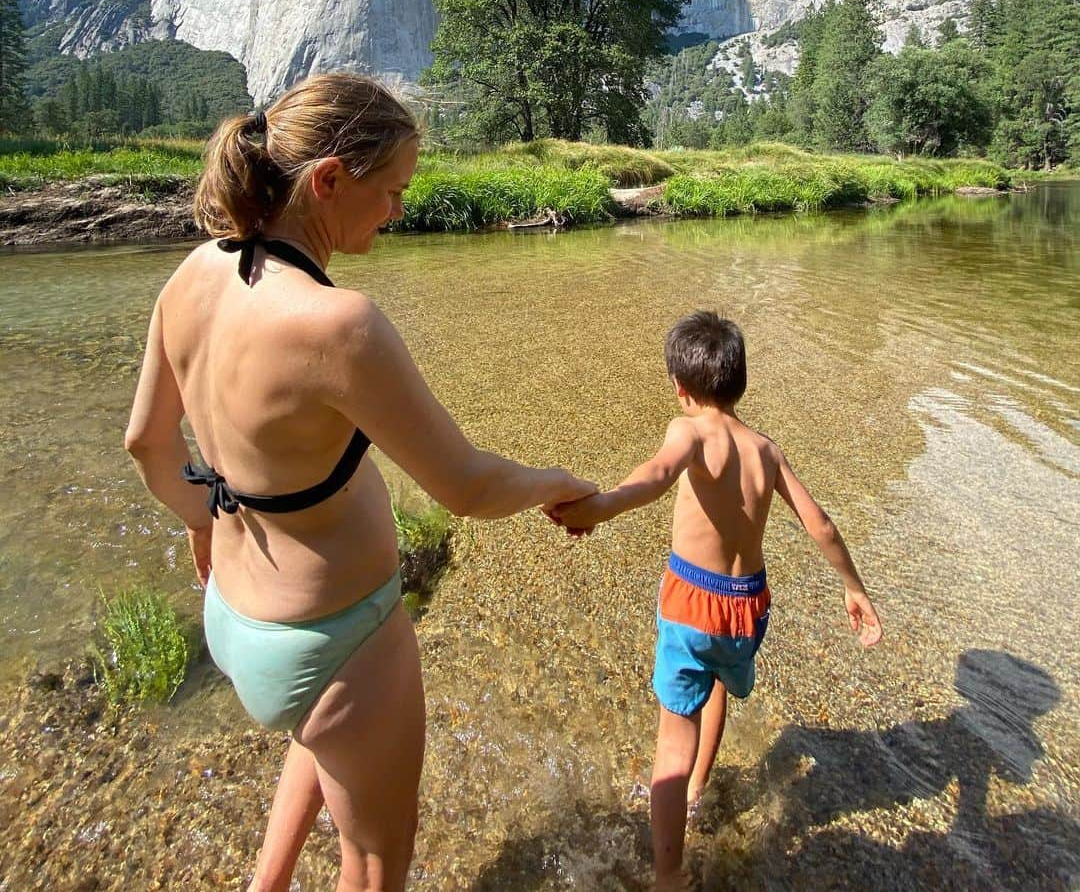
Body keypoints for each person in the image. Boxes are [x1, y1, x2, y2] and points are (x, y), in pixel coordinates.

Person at [124, 73, 595, 892]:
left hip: (237, 621)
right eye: (393, 191)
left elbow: (145, 444)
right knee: (375, 860)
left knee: (317, 742)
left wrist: (208, 517)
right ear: (330, 180)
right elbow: (467, 486)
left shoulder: (193, 275)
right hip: (334, 639)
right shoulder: (338, 325)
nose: (398, 212)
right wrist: (557, 479)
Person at [550, 311, 882, 890]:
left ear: (681, 388)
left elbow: (655, 475)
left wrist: (600, 508)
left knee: (671, 741)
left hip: (691, 603)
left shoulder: (691, 431)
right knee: (720, 687)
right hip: (748, 607)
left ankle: (670, 874)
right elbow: (821, 525)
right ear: (740, 381)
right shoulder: (766, 449)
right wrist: (854, 588)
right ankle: (700, 788)